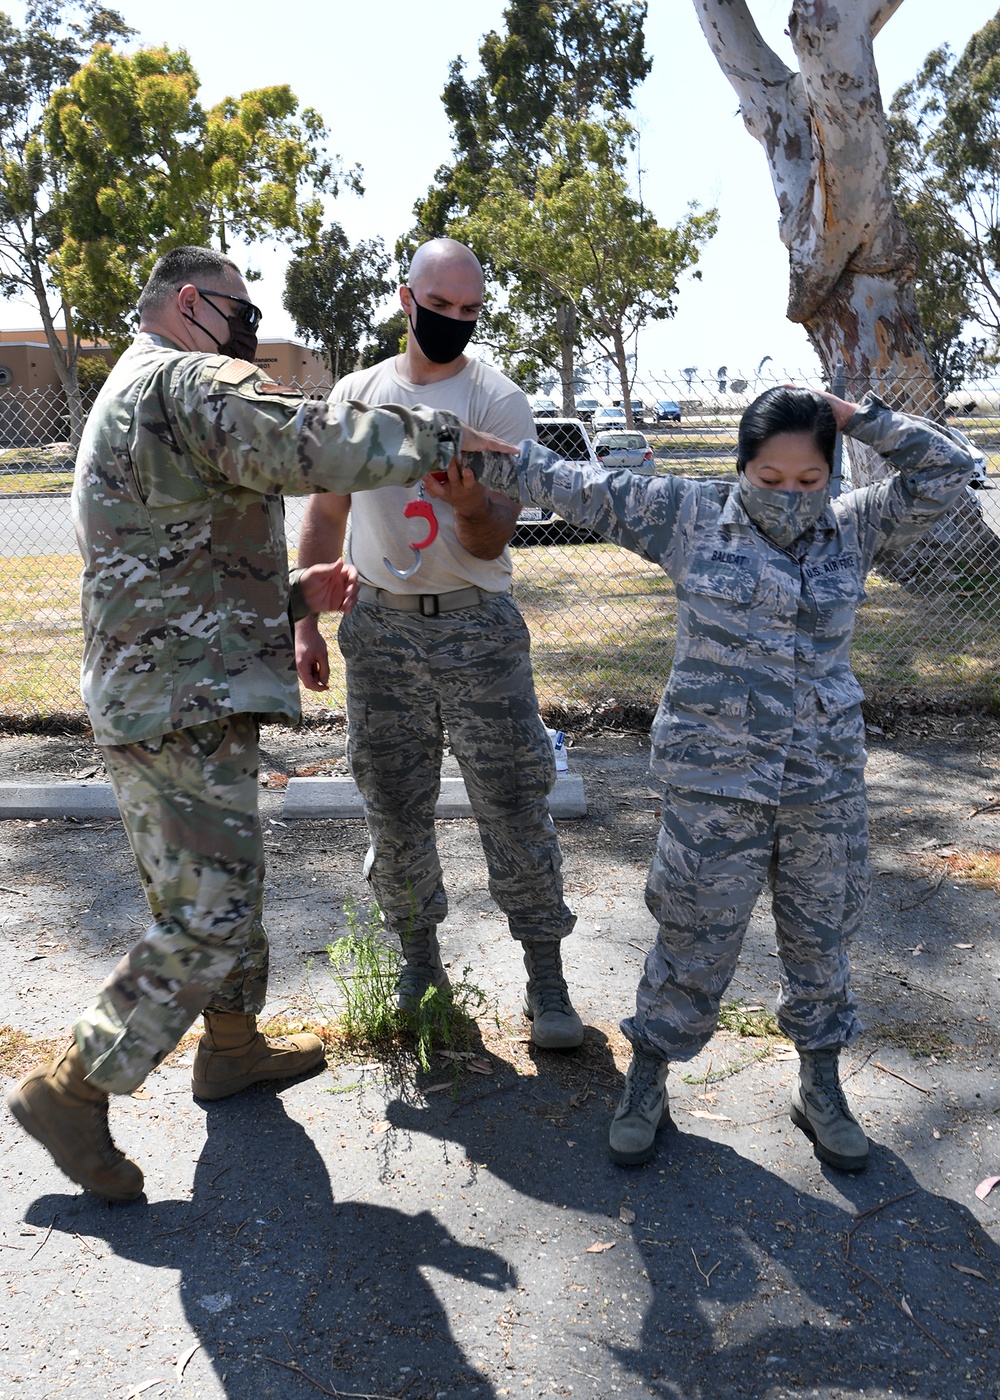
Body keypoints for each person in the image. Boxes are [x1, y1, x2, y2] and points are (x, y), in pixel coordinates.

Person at [6, 245, 510, 1204]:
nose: (248, 330)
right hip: (179, 700)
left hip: (170, 685)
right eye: (241, 312)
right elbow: (304, 440)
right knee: (208, 914)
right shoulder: (183, 376)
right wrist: (447, 443)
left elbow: (166, 564)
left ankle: (230, 1051)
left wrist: (289, 596)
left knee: (216, 890)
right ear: (190, 305)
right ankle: (74, 1088)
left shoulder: (139, 387)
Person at [474, 385, 977, 1171]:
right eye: (770, 480)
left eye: (809, 481)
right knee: (691, 937)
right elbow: (565, 481)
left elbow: (949, 470)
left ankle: (819, 1085)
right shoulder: (687, 515)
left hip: (822, 784)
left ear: (833, 475)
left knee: (823, 940)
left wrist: (858, 418)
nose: (789, 498)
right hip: (715, 787)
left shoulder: (855, 527)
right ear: (741, 467)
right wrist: (449, 447)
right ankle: (648, 1079)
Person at [294, 238, 583, 1049]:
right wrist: (304, 619)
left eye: (469, 311)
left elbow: (494, 540)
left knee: (514, 803)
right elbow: (325, 514)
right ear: (405, 299)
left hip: (477, 629)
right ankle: (421, 963)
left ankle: (546, 978)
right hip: (378, 629)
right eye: (441, 305)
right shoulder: (356, 396)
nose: (454, 322)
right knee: (392, 807)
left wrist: (466, 502)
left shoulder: (498, 405)